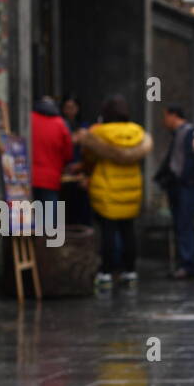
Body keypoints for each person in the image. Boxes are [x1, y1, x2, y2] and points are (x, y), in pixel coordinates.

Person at [75, 95, 152, 287]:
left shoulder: (99, 134)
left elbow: (89, 158)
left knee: (108, 231)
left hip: (107, 187)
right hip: (131, 188)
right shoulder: (137, 133)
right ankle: (130, 271)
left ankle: (107, 272)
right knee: (128, 230)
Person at [153, 104, 194, 278]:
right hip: (177, 185)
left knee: (185, 224)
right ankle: (186, 262)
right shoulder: (177, 134)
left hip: (189, 185)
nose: (164, 121)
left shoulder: (192, 133)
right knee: (181, 224)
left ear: (173, 115)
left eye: (165, 116)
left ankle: (189, 263)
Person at [30, 96, 73, 224]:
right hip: (51, 179)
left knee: (29, 220)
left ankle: (33, 243)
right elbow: (68, 154)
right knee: (48, 222)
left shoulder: (29, 118)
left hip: (28, 177)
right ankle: (46, 242)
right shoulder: (60, 124)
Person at [60, 93, 93, 226]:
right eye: (67, 107)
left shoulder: (84, 125)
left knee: (82, 204)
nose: (70, 110)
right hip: (64, 168)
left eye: (73, 107)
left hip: (81, 168)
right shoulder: (60, 124)